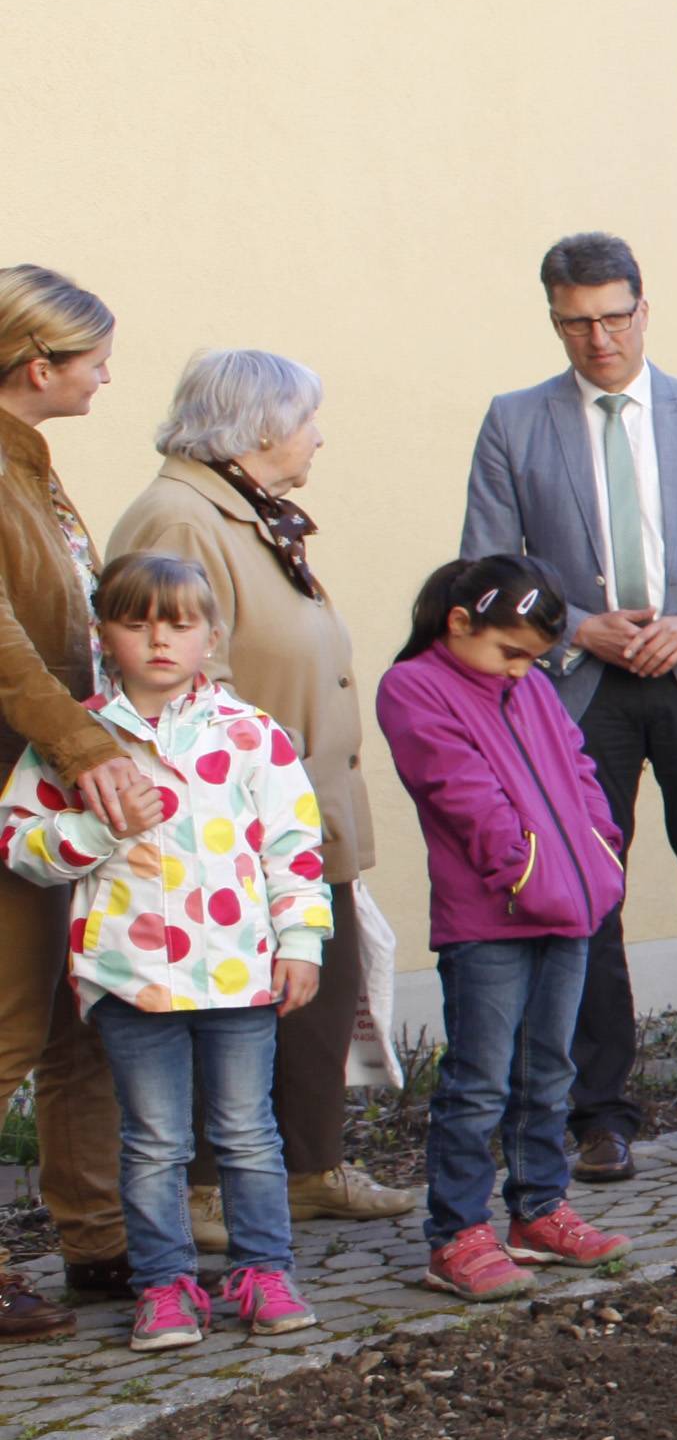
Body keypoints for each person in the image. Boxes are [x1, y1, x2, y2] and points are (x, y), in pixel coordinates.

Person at [460, 231, 677, 1182]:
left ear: (643, 309)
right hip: (578, 697)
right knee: (585, 905)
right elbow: (486, 571)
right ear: (555, 321)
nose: (599, 339)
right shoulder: (515, 422)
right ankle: (601, 1116)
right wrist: (574, 628)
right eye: (577, 324)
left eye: (614, 318)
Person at [107, 349, 415, 1244]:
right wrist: (247, 809)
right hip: (234, 828)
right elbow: (185, 675)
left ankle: (312, 1168)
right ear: (260, 427)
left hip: (305, 815)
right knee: (229, 1003)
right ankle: (205, 1190)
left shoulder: (244, 512)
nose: (320, 436)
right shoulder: (179, 516)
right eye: (309, 418)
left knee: (323, 990)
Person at [0, 554, 330, 1350]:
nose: (158, 639)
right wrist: (96, 829)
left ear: (210, 635)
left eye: (179, 624)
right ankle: (165, 1285)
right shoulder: (77, 741)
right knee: (152, 1141)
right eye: (136, 621)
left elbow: (294, 847)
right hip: (130, 978)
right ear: (102, 634)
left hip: (240, 971)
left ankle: (264, 1271)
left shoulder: (251, 735)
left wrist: (302, 942)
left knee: (247, 1132)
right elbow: (19, 841)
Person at [374, 557, 633, 1302]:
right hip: (490, 918)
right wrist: (526, 871)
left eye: (534, 657)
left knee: (547, 1071)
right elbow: (460, 791)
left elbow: (579, 770)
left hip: (570, 908)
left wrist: (599, 847)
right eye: (510, 652)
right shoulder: (415, 687)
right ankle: (455, 1233)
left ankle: (539, 1211)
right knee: (478, 1082)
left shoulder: (532, 688)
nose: (522, 670)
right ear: (459, 623)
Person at [0, 265, 136, 1334]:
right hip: (17, 784)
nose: (106, 375)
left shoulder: (33, 467)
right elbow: (6, 645)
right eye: (95, 357)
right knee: (8, 1022)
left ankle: (97, 1241)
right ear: (39, 365)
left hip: (47, 784)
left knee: (72, 1023)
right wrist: (88, 746)